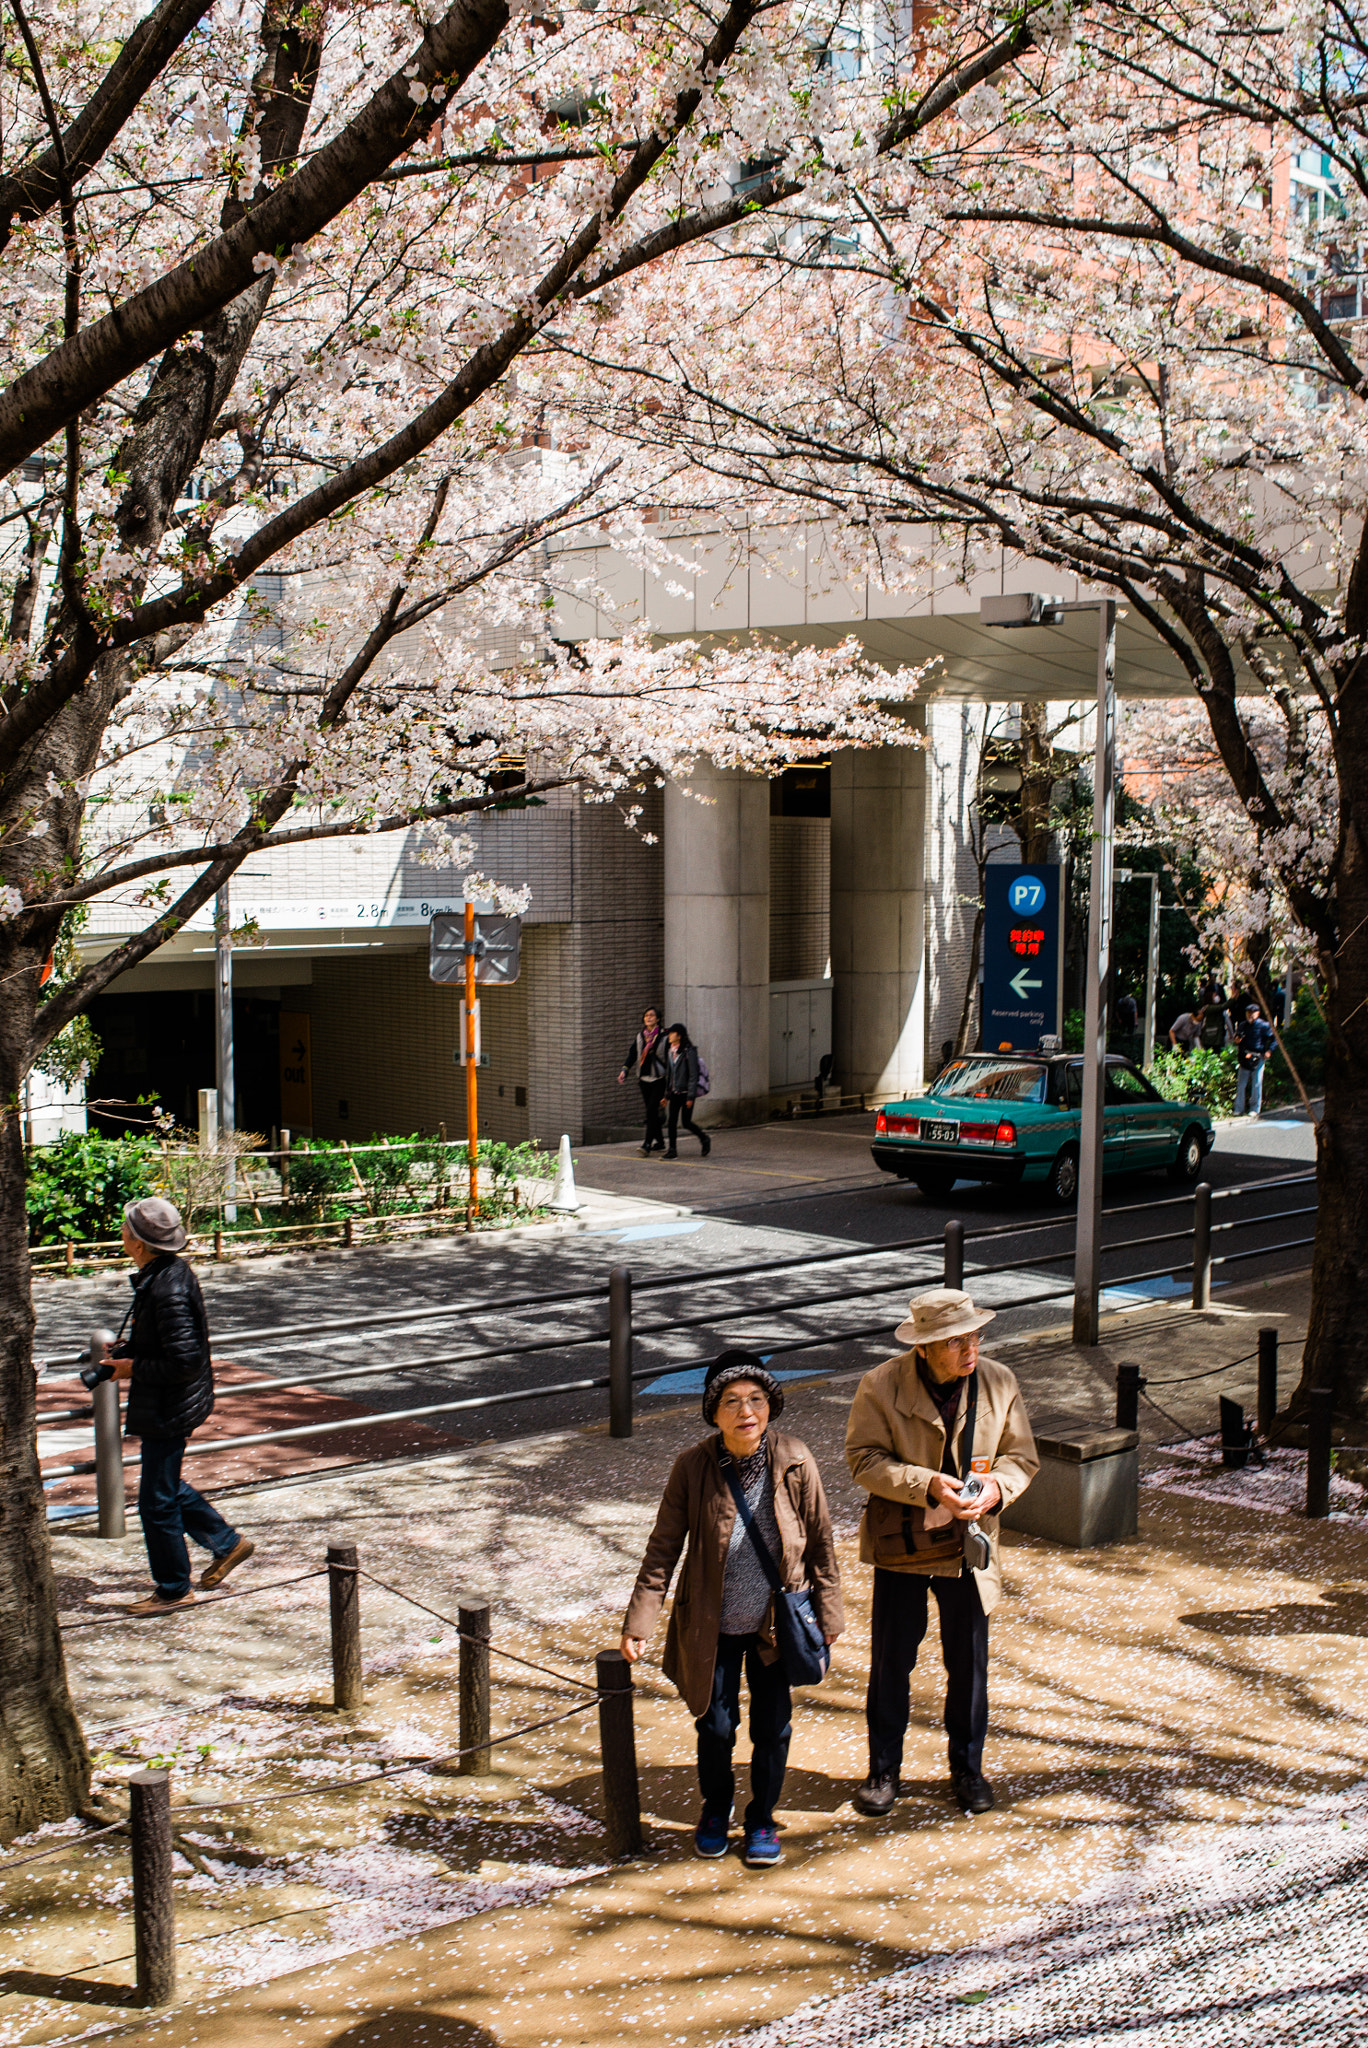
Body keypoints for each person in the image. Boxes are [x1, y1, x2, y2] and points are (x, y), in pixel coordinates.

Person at [620, 1350, 843, 1867]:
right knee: (715, 1726)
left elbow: (822, 1545)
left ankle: (762, 1817)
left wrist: (829, 1616)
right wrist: (639, 1621)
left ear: (770, 1407)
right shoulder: (693, 1467)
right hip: (712, 1625)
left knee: (772, 1727)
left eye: (757, 1400)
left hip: (775, 1624)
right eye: (733, 1402)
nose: (746, 1412)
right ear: (714, 1412)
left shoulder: (796, 1459)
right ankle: (716, 1809)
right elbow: (663, 1549)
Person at [845, 1287, 1038, 1819]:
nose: (969, 1348)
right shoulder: (880, 1385)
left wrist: (998, 1488)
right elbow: (861, 1459)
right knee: (891, 1662)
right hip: (903, 1546)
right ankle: (883, 1771)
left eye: (974, 1335)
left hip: (969, 1549)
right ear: (924, 1348)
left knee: (969, 1666)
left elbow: (1021, 1457)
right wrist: (927, 1484)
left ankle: (968, 1770)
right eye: (954, 1341)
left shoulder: (999, 1381)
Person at [100, 1197, 255, 1615]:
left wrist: (130, 1368)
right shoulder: (167, 1273)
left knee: (156, 1500)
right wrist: (131, 1349)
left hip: (169, 1404)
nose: (121, 1231)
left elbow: (183, 1361)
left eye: (125, 1227)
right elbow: (172, 1343)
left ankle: (172, 1588)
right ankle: (225, 1542)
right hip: (170, 1402)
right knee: (162, 1488)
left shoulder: (166, 1287)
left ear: (138, 1242)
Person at [618, 1004, 668, 1156]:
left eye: (652, 1015)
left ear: (658, 1019)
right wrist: (624, 1070)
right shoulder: (640, 1036)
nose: (649, 1018)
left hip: (659, 1079)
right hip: (643, 1079)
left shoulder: (664, 1036)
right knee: (651, 1111)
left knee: (651, 1111)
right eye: (646, 1016)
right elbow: (633, 1054)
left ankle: (647, 1144)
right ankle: (659, 1142)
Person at [663, 1021, 710, 1159]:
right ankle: (672, 1150)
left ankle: (704, 1138)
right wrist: (666, 1095)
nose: (669, 1036)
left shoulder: (689, 1051)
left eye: (671, 1033)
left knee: (686, 1122)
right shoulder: (671, 1051)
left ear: (679, 1035)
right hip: (675, 1093)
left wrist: (690, 1096)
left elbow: (693, 1076)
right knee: (671, 1121)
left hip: (686, 1094)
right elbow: (670, 1075)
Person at [1235, 1000, 1275, 1116]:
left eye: (1252, 1013)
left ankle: (1254, 1109)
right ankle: (1238, 1108)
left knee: (1257, 1083)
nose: (1250, 1015)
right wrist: (1237, 1040)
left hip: (1258, 1056)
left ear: (1257, 1013)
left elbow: (1274, 1039)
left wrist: (1269, 1051)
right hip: (1244, 1057)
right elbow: (1237, 1038)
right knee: (1241, 1084)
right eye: (1248, 1012)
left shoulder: (1264, 1025)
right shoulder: (1242, 1025)